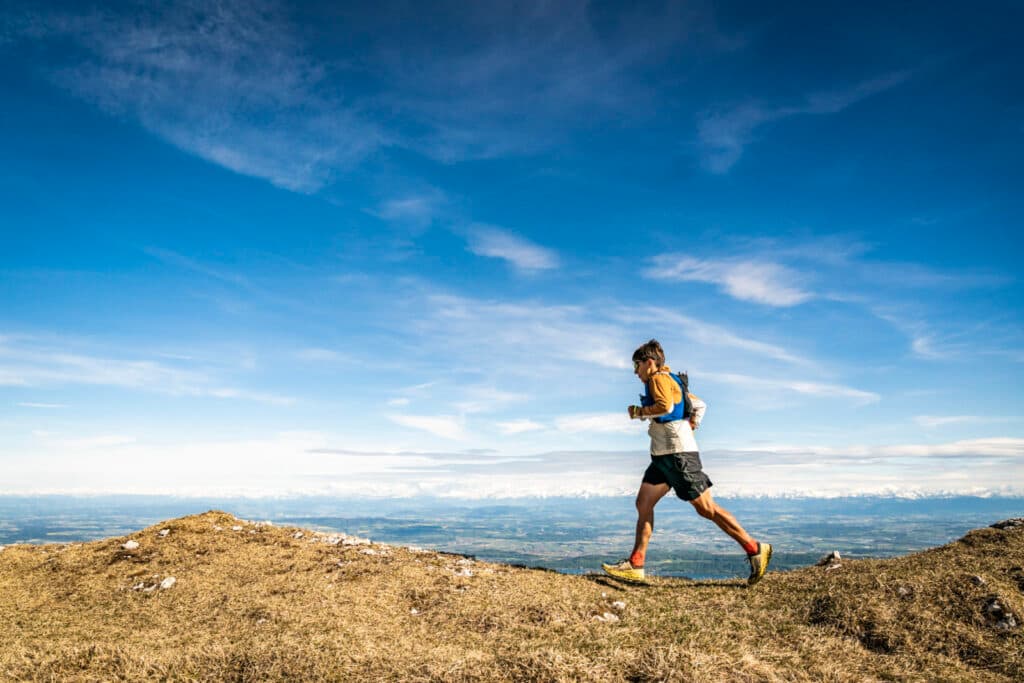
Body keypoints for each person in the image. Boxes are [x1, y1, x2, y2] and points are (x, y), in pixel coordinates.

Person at [602, 339, 772, 586]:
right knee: (643, 503)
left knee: (707, 509)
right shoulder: (672, 381)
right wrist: (691, 425)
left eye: (636, 366)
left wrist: (639, 413)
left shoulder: (658, 379)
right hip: (663, 457)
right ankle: (636, 564)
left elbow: (665, 406)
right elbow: (699, 404)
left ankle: (755, 548)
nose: (635, 372)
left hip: (677, 456)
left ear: (649, 362)